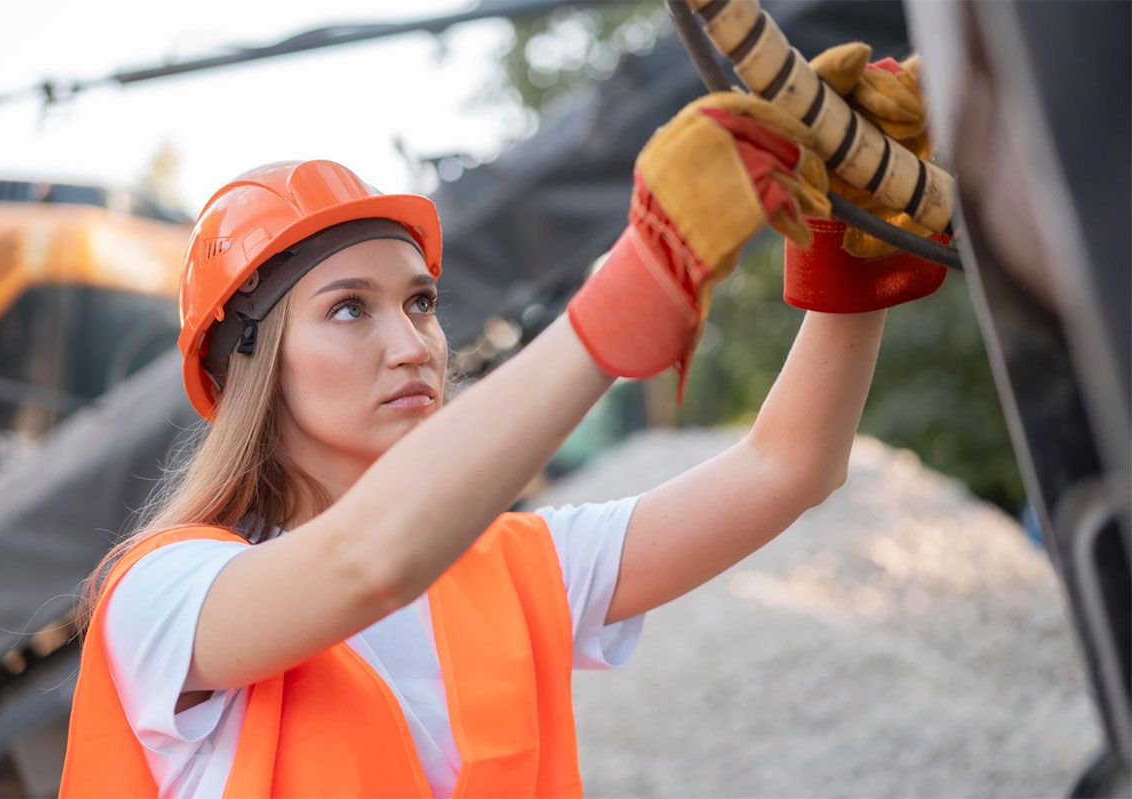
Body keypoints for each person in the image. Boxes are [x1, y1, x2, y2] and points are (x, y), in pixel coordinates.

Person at [59, 54, 944, 798]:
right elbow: (366, 562)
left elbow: (786, 465)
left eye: (421, 302)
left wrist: (849, 255)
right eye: (348, 309)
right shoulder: (164, 595)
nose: (412, 344)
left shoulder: (519, 568)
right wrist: (635, 289)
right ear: (248, 365)